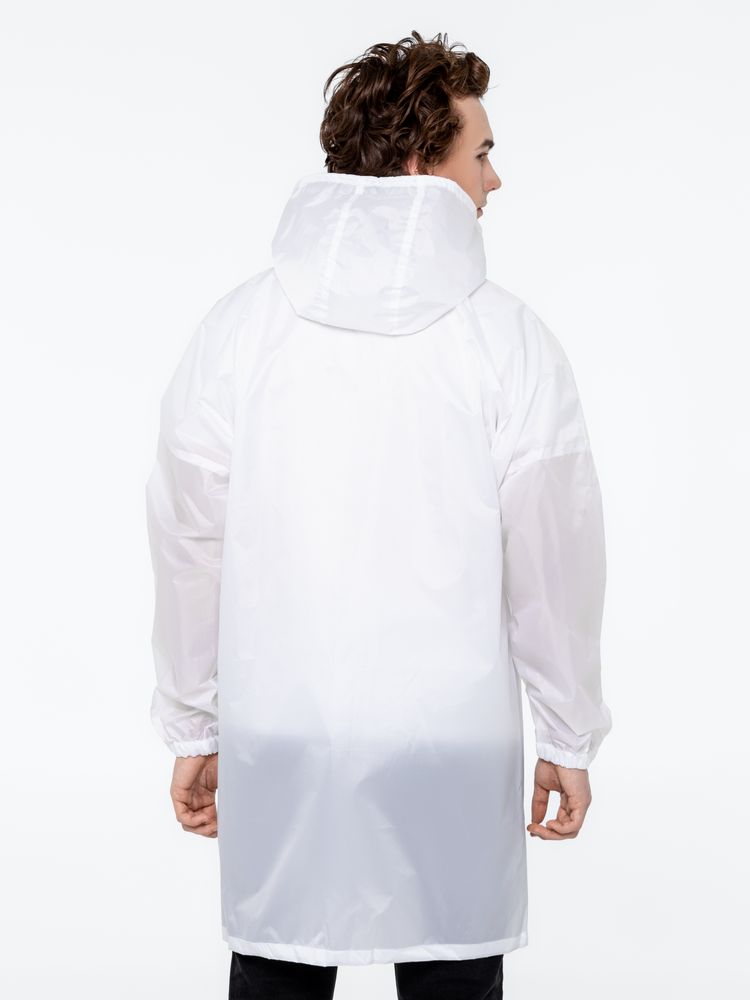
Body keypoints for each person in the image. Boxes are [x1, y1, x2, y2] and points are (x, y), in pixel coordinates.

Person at [145, 29, 613, 1000]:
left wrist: (194, 721)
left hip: (283, 727)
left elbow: (189, 539)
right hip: (453, 737)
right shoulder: (507, 339)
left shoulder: (239, 328)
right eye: (481, 153)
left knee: (277, 965)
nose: (495, 179)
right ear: (419, 165)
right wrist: (567, 733)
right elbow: (554, 553)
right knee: (452, 969)